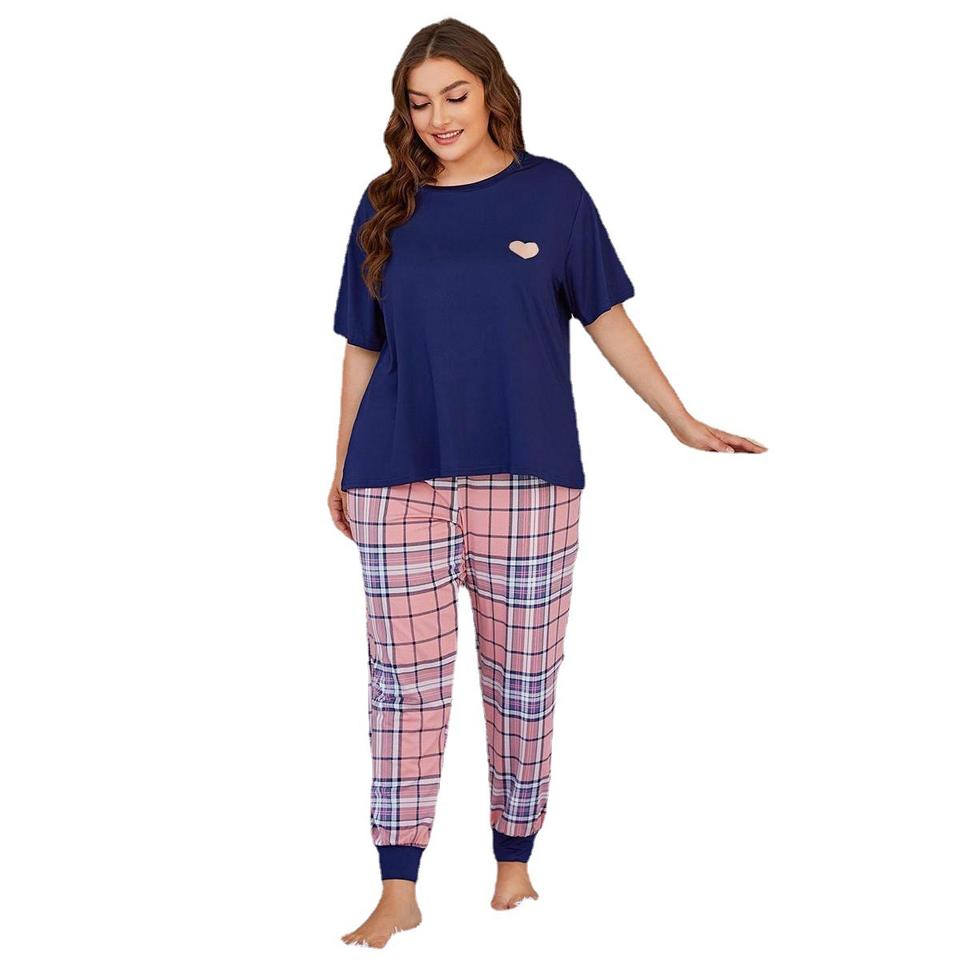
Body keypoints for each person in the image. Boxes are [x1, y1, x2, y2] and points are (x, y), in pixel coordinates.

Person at [329, 17, 767, 949]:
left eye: (455, 95)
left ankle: (513, 861)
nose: (439, 117)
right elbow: (362, 344)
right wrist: (338, 467)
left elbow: (606, 318)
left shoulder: (552, 193)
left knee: (523, 679)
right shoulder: (383, 203)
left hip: (529, 478)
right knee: (403, 687)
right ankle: (399, 888)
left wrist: (680, 419)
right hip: (395, 477)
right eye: (419, 101)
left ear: (492, 90)